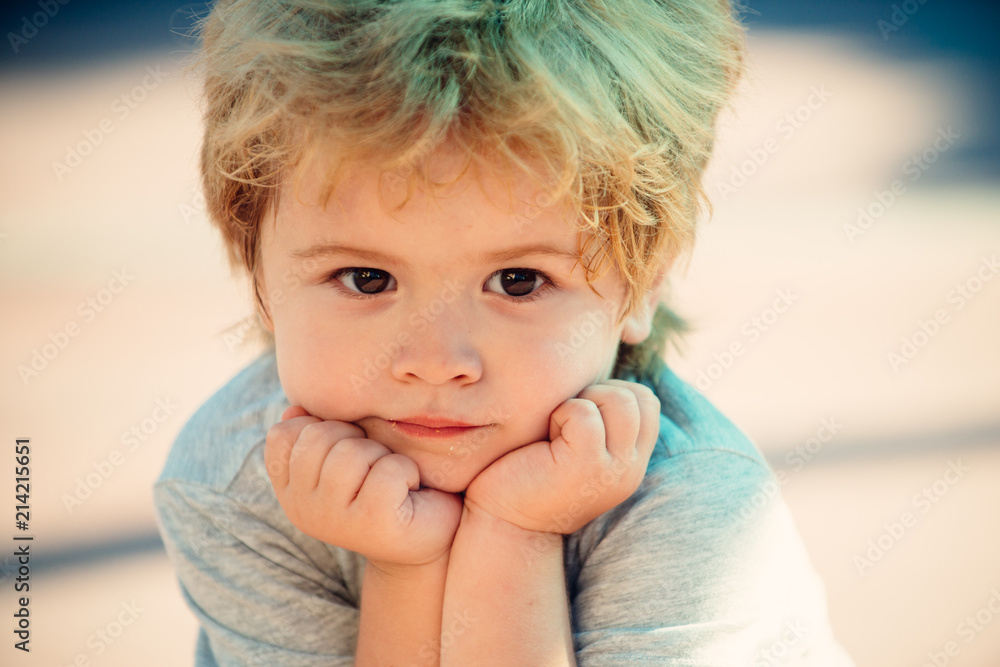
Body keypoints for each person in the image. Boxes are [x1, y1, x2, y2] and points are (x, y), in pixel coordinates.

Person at [154, 0, 856, 664]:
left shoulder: (691, 507)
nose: (435, 362)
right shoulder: (229, 484)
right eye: (367, 278)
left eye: (519, 281)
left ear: (642, 283)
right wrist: (408, 567)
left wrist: (514, 531)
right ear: (258, 279)